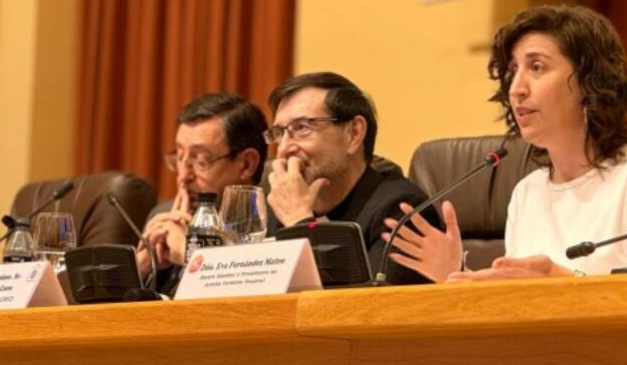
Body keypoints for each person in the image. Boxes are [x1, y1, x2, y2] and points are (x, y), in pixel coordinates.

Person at [385, 5, 627, 282]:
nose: (516, 89)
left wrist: (562, 283)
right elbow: (517, 313)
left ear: (588, 81)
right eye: (513, 71)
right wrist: (458, 274)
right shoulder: (527, 193)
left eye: (536, 67)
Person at [264, 72, 439, 285]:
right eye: (279, 133)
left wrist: (300, 223)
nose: (283, 149)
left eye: (301, 128)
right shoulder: (281, 203)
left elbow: (362, 311)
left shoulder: (401, 212)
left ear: (353, 134)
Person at [139, 93, 268, 294]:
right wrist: (142, 268)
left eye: (201, 161)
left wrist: (188, 252)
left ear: (247, 164)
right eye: (180, 158)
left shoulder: (270, 224)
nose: (183, 177)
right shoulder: (165, 220)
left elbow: (248, 302)